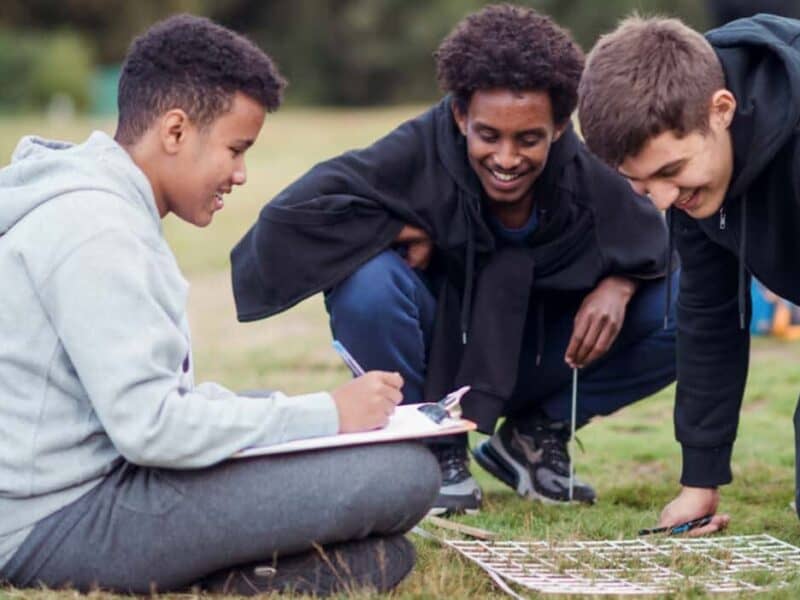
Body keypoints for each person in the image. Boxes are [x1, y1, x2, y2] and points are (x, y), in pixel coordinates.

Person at [0, 14, 440, 595]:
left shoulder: (101, 207)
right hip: (55, 520)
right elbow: (153, 428)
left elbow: (154, 408)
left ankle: (235, 576)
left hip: (84, 488)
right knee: (406, 474)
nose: (240, 174)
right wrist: (330, 415)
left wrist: (313, 416)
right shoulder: (97, 230)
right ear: (175, 131)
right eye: (235, 149)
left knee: (279, 425)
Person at [231, 4, 677, 516]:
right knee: (367, 282)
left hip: (541, 355)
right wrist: (402, 227)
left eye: (528, 139)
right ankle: (427, 445)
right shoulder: (418, 149)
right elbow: (289, 220)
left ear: (558, 128)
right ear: (462, 117)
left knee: (689, 303)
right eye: (488, 135)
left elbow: (657, 239)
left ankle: (536, 435)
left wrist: (620, 284)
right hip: (439, 353)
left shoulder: (584, 172)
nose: (506, 159)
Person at [577, 13, 800, 535]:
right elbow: (709, 316)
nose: (662, 200)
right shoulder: (694, 183)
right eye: (640, 183)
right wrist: (700, 480)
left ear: (721, 110)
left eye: (671, 172)